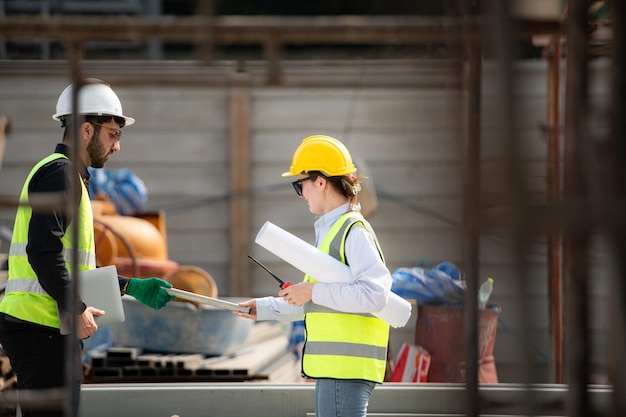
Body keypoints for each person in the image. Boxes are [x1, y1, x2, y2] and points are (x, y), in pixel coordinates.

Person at [0, 79, 175, 417]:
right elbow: (42, 252)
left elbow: (72, 267)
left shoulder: (67, 176)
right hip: (42, 328)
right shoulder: (60, 175)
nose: (117, 146)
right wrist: (76, 306)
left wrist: (131, 287)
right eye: (113, 134)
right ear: (85, 130)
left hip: (43, 328)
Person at [235, 135, 392, 417]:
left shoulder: (352, 231)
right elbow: (317, 304)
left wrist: (311, 291)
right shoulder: (333, 232)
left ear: (321, 181)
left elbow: (375, 294)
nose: (301, 193)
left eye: (300, 184)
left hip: (345, 372)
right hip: (337, 372)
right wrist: (266, 307)